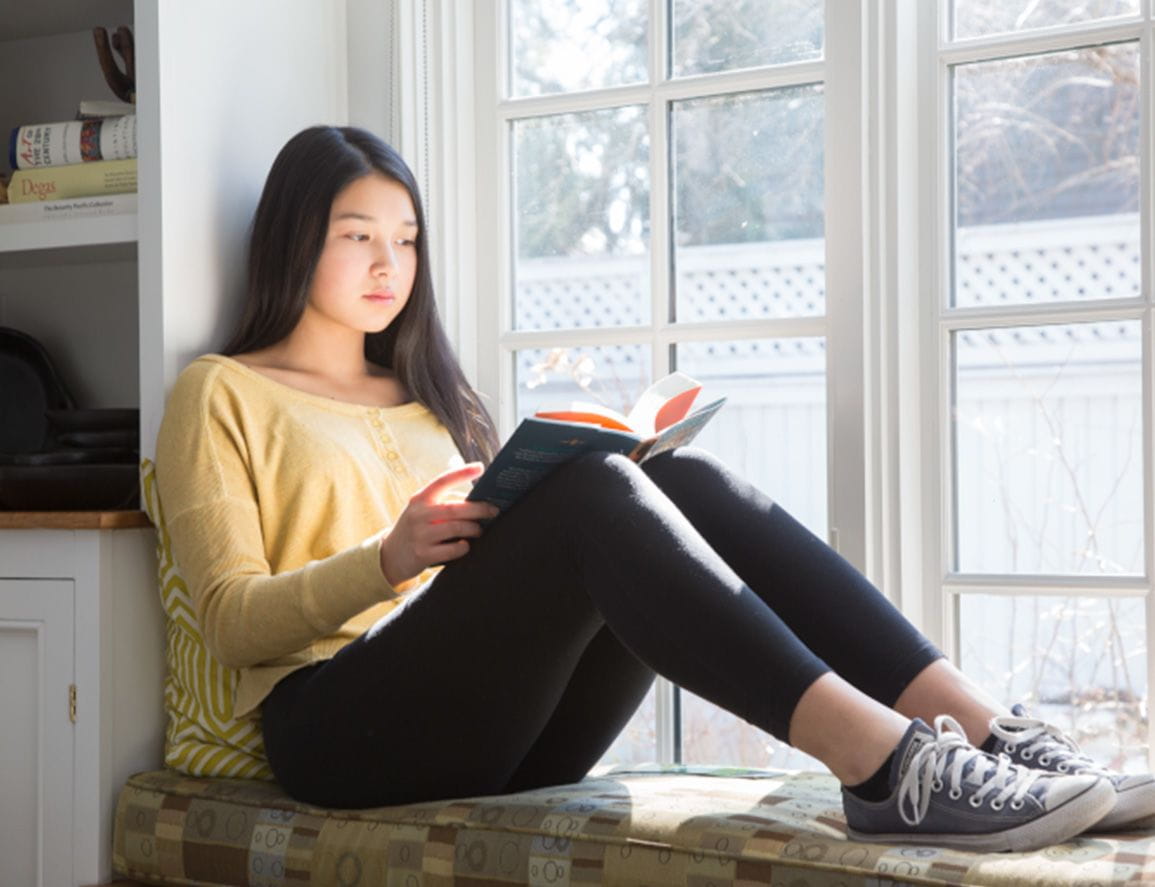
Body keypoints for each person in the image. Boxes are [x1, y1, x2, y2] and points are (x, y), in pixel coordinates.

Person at [155, 125, 1155, 855]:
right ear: (294, 238)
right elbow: (233, 623)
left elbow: (504, 597)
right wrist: (388, 557)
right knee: (594, 491)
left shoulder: (427, 396)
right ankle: (889, 767)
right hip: (336, 732)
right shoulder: (223, 392)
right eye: (357, 234)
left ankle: (991, 734)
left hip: (498, 730)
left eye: (407, 239)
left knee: (671, 474)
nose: (390, 263)